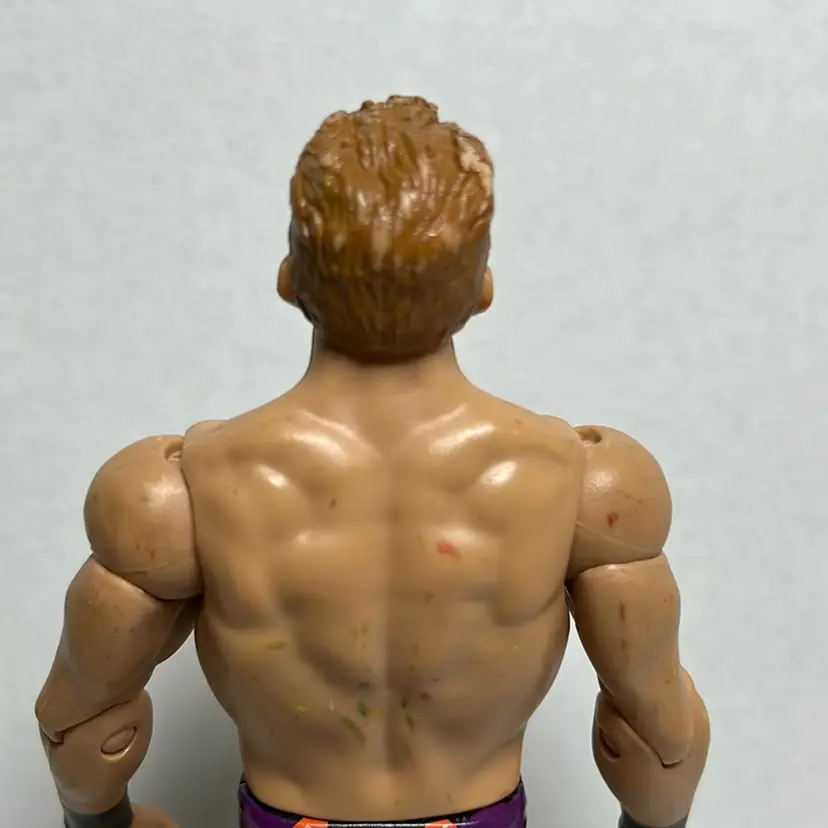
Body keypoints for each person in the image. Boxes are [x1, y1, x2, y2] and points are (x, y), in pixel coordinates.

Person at [36, 96, 709, 828]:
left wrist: (102, 824)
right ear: (482, 289)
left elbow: (79, 728)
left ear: (292, 278)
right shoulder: (588, 484)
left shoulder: (177, 492)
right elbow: (660, 737)